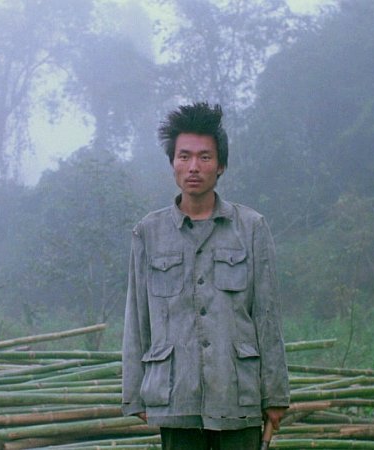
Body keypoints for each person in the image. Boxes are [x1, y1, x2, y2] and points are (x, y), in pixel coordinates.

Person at [121, 102, 289, 450]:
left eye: (205, 157)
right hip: (174, 395)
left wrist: (274, 394)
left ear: (221, 165)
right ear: (172, 163)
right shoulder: (148, 232)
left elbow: (267, 316)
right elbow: (137, 319)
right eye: (184, 156)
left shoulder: (251, 228)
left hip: (237, 394)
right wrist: (135, 393)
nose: (193, 167)